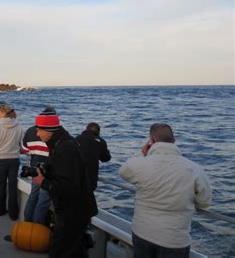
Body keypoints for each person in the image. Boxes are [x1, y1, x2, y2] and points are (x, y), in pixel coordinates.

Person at [119, 123, 212, 258]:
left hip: (143, 232)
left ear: (151, 141)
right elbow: (205, 202)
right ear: (174, 141)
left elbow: (123, 171)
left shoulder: (140, 164)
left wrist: (142, 153)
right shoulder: (194, 169)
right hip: (174, 240)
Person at [33, 110, 97, 257]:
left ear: (49, 131)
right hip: (75, 209)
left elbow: (70, 187)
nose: (37, 134)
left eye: (39, 130)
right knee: (75, 250)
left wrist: (43, 182)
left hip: (73, 212)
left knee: (60, 251)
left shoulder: (65, 149)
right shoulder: (61, 143)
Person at [0, 104, 24, 220]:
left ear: (3, 113)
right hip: (14, 158)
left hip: (1, 158)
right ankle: (13, 214)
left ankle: (0, 210)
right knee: (13, 186)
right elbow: (21, 142)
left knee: (0, 185)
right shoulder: (18, 125)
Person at [21, 107, 54, 225]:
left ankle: (27, 223)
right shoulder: (52, 134)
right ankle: (36, 228)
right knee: (43, 201)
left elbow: (25, 149)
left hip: (34, 169)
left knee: (33, 196)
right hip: (48, 171)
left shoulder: (30, 131)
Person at [76, 122, 111, 192]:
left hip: (74, 175)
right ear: (98, 132)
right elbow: (106, 158)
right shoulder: (101, 142)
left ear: (86, 129)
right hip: (90, 177)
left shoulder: (77, 139)